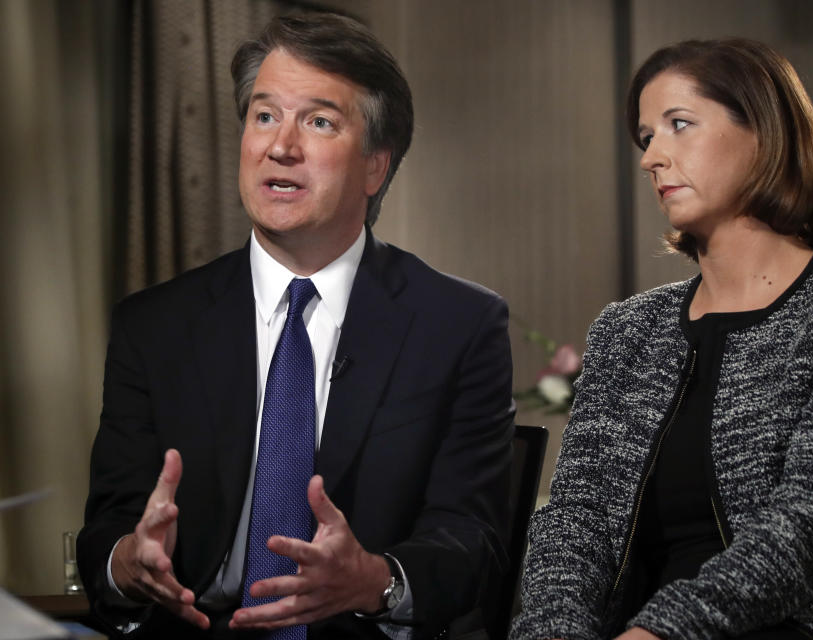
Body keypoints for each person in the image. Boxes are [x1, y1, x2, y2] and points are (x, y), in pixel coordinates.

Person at [77, 13, 514, 640]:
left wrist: (374, 579)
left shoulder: (459, 325)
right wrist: (128, 562)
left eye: (318, 121)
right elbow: (105, 532)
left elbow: (473, 543)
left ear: (375, 167)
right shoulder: (156, 325)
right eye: (263, 116)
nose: (279, 146)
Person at [511, 38, 813, 639]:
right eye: (646, 137)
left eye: (679, 125)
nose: (651, 158)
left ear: (764, 134)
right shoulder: (626, 331)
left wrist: (658, 635)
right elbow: (575, 525)